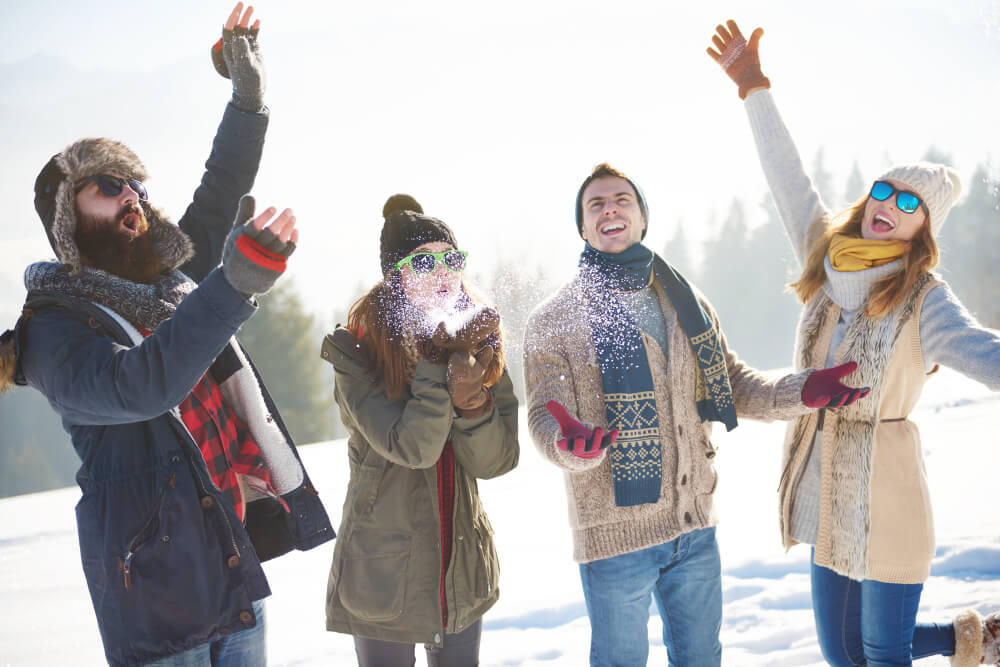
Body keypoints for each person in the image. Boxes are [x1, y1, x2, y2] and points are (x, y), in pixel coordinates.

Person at [0, 5, 334, 665]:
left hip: (228, 549)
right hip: (151, 587)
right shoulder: (51, 333)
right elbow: (141, 386)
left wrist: (249, 99)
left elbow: (217, 194)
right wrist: (233, 284)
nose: (131, 195)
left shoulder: (165, 283)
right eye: (106, 185)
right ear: (66, 221)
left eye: (136, 183)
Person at [707, 19, 1000, 667]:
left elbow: (984, 352)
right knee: (844, 653)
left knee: (882, 653)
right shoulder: (827, 256)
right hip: (825, 486)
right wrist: (752, 85)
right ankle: (977, 641)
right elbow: (790, 178)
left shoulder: (924, 296)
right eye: (884, 191)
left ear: (922, 228)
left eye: (908, 203)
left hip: (888, 488)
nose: (888, 204)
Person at [522, 162, 869, 667]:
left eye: (622, 199)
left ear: (642, 218)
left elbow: (735, 385)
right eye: (595, 204)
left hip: (694, 526)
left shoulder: (686, 302)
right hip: (616, 539)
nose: (609, 209)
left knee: (702, 659)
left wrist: (804, 390)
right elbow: (543, 416)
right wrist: (566, 443)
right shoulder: (555, 319)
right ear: (583, 228)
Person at [321, 194, 520, 666]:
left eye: (452, 259)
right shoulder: (357, 353)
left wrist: (473, 402)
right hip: (383, 571)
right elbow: (414, 447)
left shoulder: (477, 337)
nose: (442, 272)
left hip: (459, 565)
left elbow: (497, 461)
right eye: (424, 261)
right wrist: (436, 365)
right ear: (395, 276)